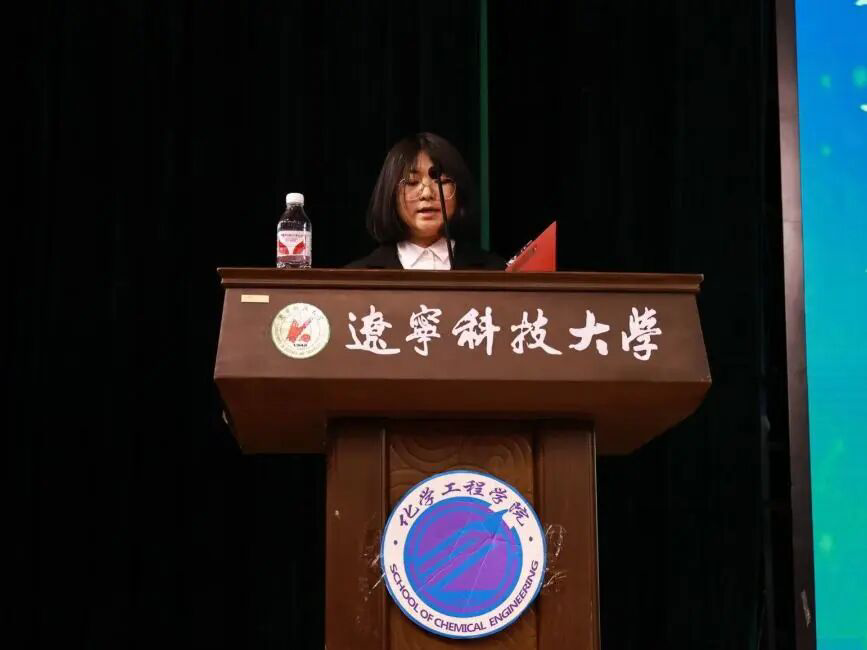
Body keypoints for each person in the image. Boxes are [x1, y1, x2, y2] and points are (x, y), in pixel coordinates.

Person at [347, 132, 504, 270]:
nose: (427, 194)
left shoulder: (497, 273)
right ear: (391, 193)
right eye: (412, 182)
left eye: (440, 181)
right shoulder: (356, 279)